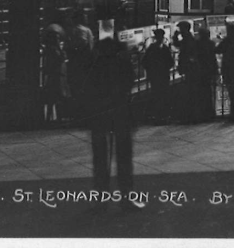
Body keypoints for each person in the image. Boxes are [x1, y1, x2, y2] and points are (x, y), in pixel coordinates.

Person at [81, 29, 144, 212]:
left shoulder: (95, 65)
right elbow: (130, 82)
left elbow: (87, 88)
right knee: (124, 157)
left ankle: (101, 199)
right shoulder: (122, 63)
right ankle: (126, 197)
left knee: (100, 159)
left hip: (100, 115)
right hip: (121, 113)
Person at [141, 28, 174, 124]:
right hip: (160, 75)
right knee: (160, 95)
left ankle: (160, 116)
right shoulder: (162, 48)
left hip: (158, 76)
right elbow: (170, 62)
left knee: (159, 95)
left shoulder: (154, 48)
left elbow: (144, 62)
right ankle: (160, 116)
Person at [216, 21, 234, 123]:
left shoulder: (228, 39)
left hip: (228, 67)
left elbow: (218, 50)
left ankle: (233, 114)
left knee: (231, 92)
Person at [41, 24, 70, 123]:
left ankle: (50, 117)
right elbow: (60, 59)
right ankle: (57, 117)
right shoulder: (54, 50)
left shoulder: (50, 49)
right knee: (57, 96)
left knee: (52, 97)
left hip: (54, 75)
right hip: (56, 75)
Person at [172, 21, 198, 123]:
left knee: (189, 91)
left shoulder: (188, 39)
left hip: (189, 68)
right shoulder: (189, 38)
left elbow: (180, 47)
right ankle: (191, 115)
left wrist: (175, 36)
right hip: (189, 68)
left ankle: (190, 116)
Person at [195, 27, 219, 122]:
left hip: (200, 70)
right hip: (210, 70)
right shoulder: (211, 43)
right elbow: (213, 59)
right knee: (209, 92)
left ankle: (203, 114)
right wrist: (216, 70)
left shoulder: (197, 44)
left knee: (201, 93)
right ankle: (210, 113)